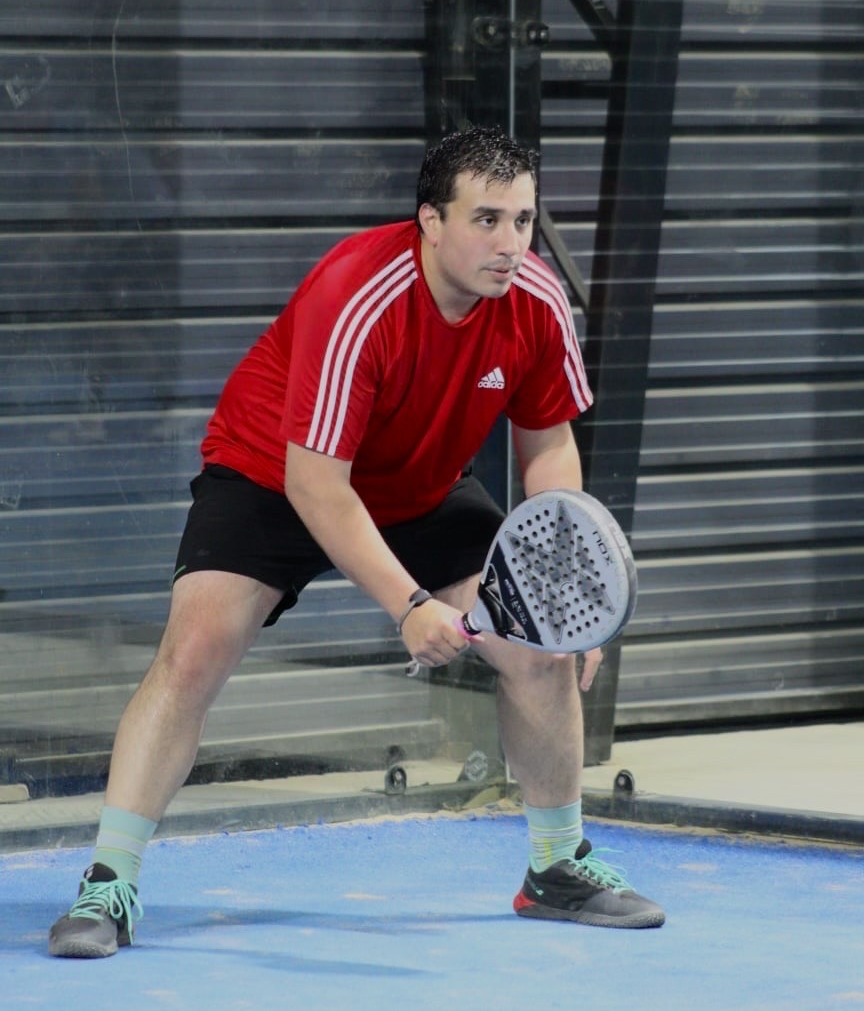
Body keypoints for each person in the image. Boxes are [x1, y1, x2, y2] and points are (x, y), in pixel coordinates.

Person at [48, 126, 664, 958]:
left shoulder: (535, 300)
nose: (510, 243)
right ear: (430, 222)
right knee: (194, 652)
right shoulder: (360, 295)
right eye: (486, 220)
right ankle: (108, 883)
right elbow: (317, 486)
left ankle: (556, 866)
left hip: (420, 486)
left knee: (539, 652)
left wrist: (561, 597)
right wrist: (408, 605)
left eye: (523, 220)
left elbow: (548, 445)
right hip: (274, 475)